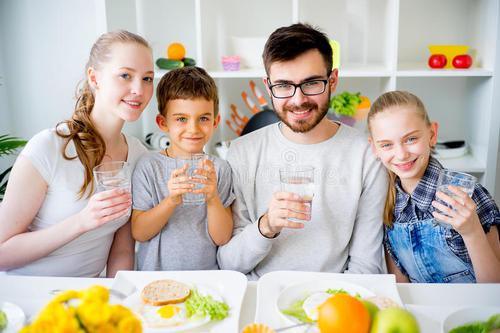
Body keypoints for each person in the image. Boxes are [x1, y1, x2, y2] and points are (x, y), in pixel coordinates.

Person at [217, 23, 388, 279]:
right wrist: (266, 226)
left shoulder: (367, 155)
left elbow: (366, 266)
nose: (298, 100)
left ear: (333, 81)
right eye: (284, 86)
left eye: (311, 83)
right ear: (268, 86)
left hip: (336, 300)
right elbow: (228, 264)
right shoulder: (242, 152)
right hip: (259, 296)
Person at [0, 30, 154, 277]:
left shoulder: (137, 155)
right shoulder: (48, 147)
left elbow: (122, 250)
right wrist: (82, 222)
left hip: (90, 298)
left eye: (147, 78)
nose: (139, 89)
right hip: (31, 297)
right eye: (125, 75)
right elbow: (2, 255)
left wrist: (117, 302)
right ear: (94, 78)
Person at [367, 90, 500, 283]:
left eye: (411, 139)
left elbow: (495, 288)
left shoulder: (466, 195)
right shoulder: (387, 201)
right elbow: (401, 285)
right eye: (387, 145)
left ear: (432, 134)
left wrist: (472, 232)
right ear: (374, 148)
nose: (402, 154)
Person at [131, 66, 234, 271]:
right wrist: (171, 201)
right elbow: (139, 232)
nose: (193, 129)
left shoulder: (219, 169)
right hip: (155, 278)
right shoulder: (148, 166)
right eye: (181, 119)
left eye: (203, 118)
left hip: (206, 279)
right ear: (163, 123)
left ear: (215, 122)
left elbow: (222, 238)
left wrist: (212, 198)